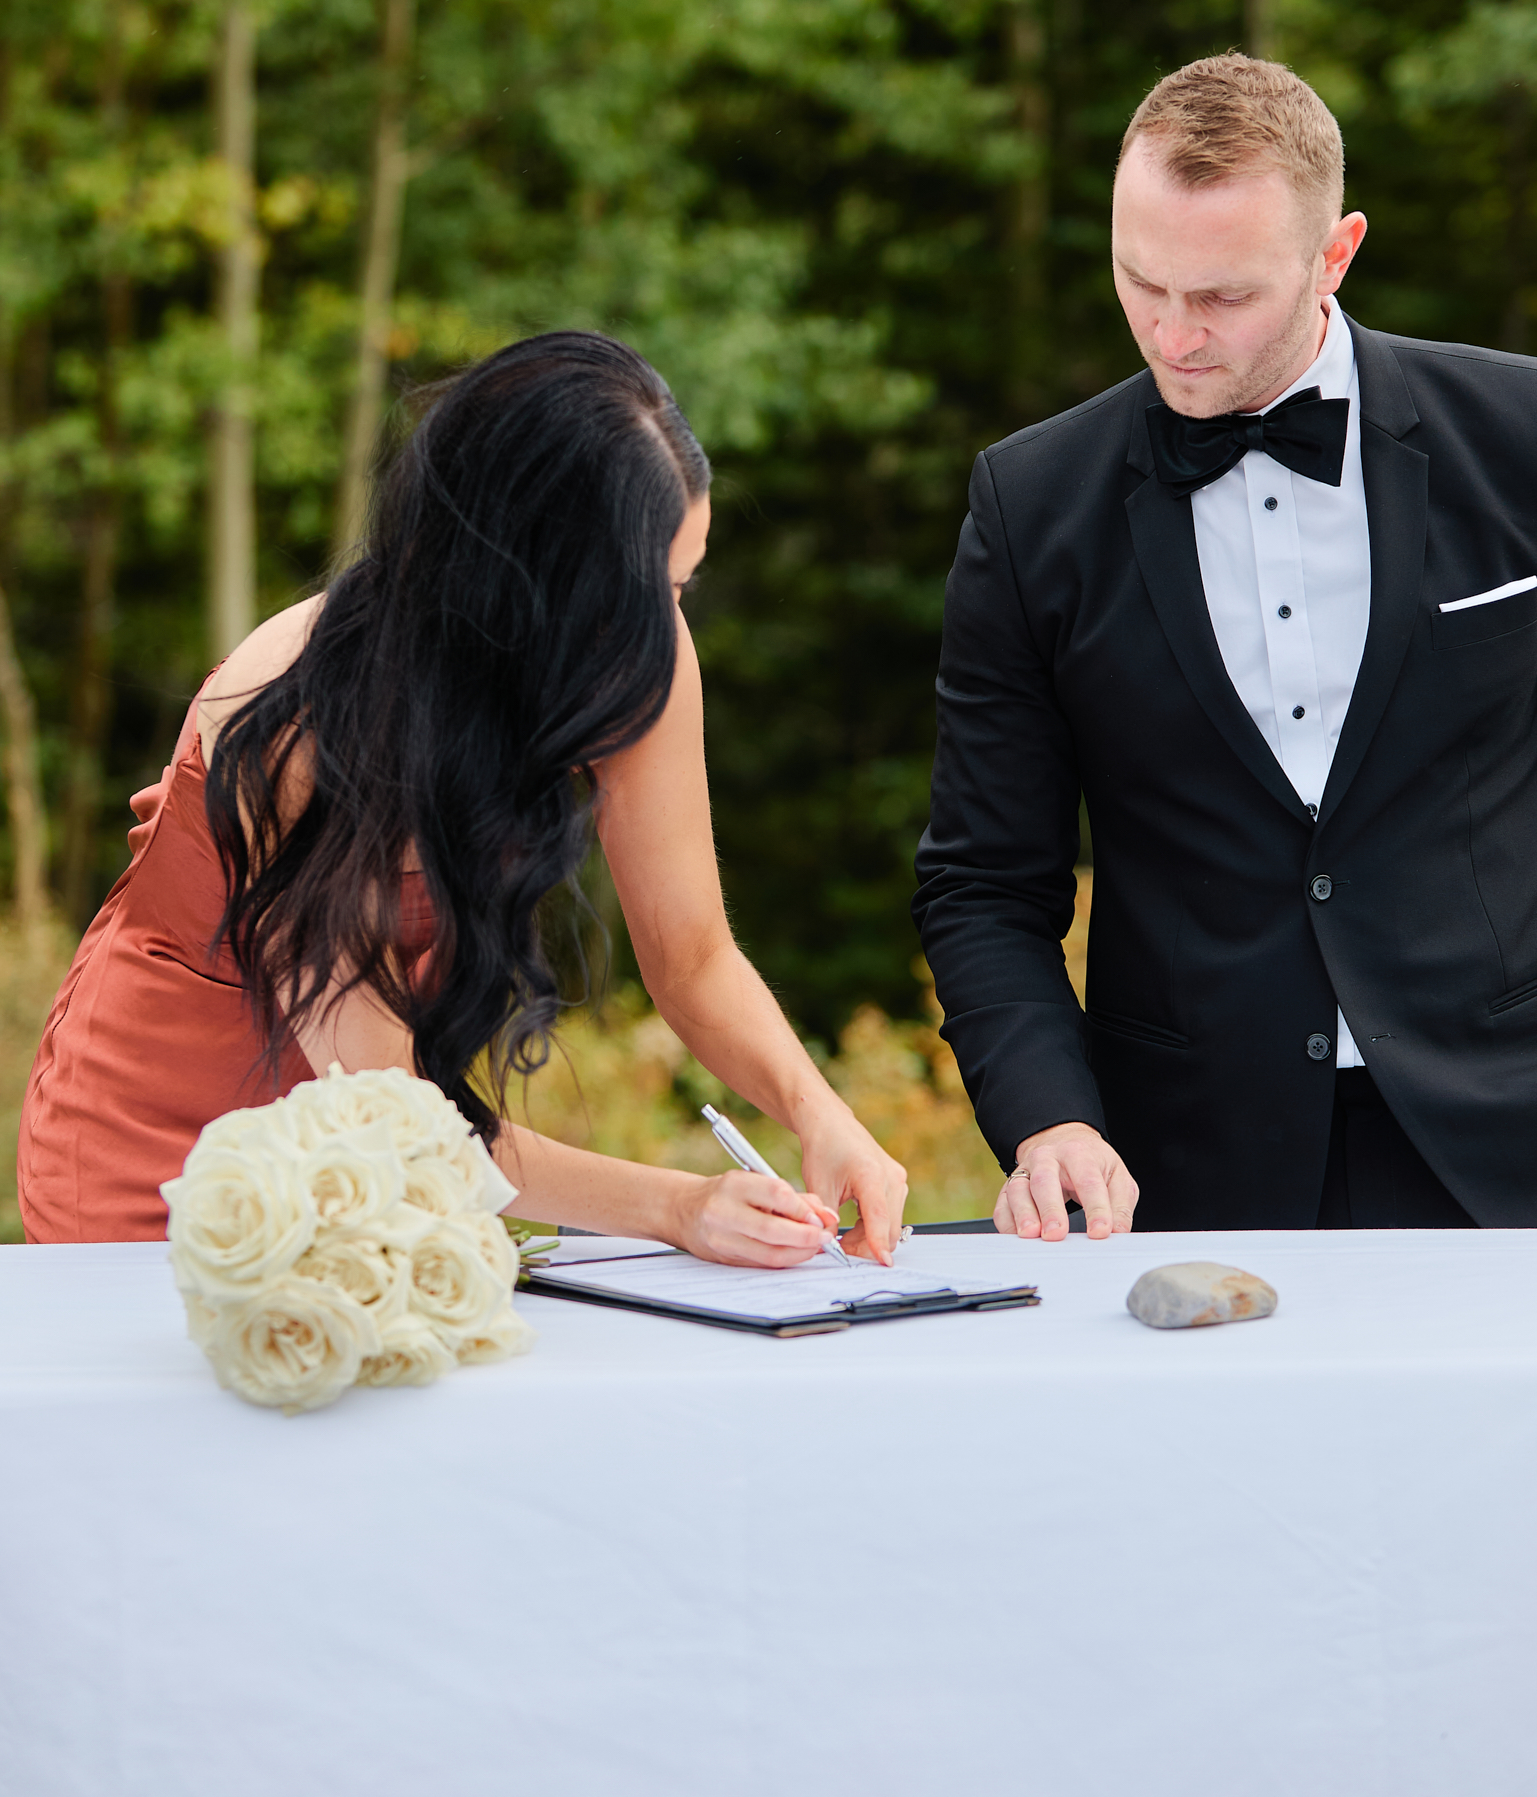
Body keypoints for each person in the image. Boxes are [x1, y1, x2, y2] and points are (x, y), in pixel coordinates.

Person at [914, 52, 1537, 1238]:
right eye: (1138, 281)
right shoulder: (1027, 505)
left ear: (1334, 253)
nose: (1172, 335)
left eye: (1220, 297)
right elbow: (981, 881)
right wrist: (1046, 1118)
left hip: (1521, 1129)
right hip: (1182, 1157)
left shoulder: (1527, 434)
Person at [20, 331, 907, 1263]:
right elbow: (394, 1118)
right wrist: (676, 1206)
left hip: (412, 1141)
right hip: (171, 1151)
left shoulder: (638, 651)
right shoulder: (299, 725)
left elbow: (691, 960)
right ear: (525, 584)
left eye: (681, 587)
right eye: (644, 595)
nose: (668, 632)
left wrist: (819, 1114)